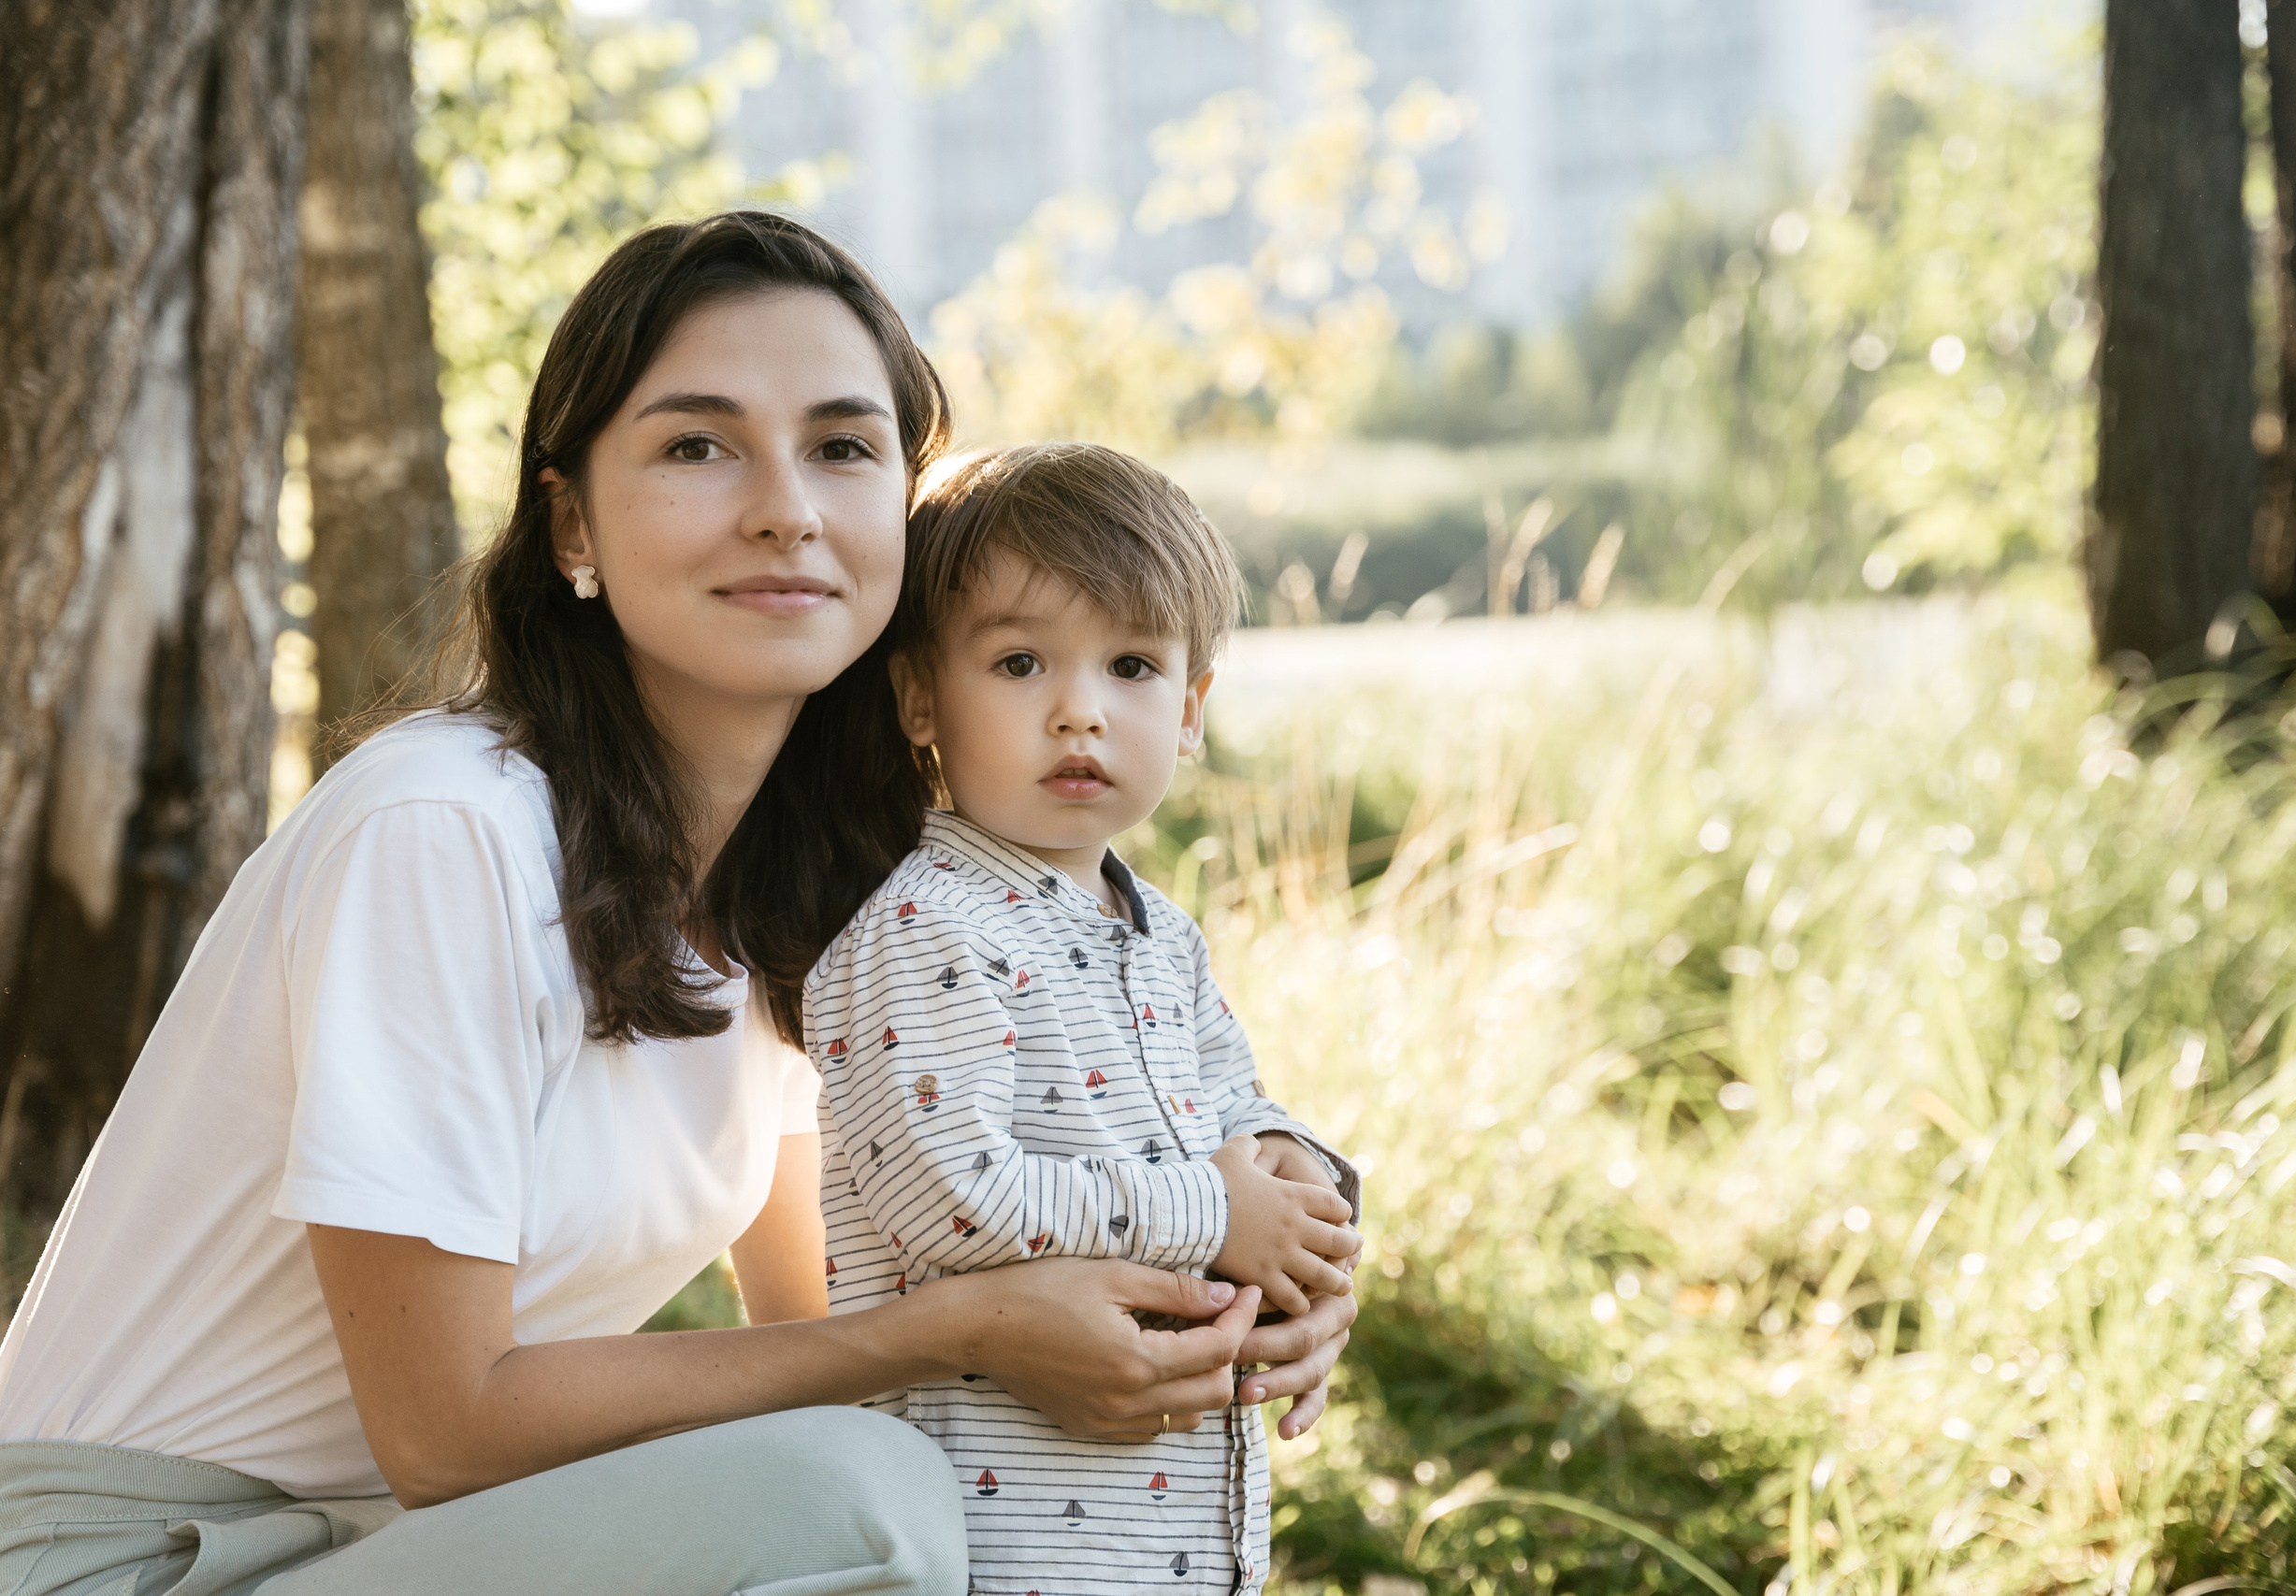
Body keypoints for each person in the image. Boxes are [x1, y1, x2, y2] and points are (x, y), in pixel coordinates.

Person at [0, 213, 1356, 1595]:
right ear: (572, 521)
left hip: (420, 1553)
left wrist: (1243, 1296)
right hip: (139, 1559)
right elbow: (447, 1428)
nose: (788, 507)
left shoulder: (824, 901)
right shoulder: (445, 828)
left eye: (842, 446)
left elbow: (837, 1311)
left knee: (934, 1488)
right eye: (698, 445)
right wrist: (964, 1328)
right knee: (863, 1495)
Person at [808, 443, 1363, 1596]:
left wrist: (1300, 1194)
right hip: (1003, 1529)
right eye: (1019, 662)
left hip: (1169, 1530)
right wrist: (1214, 1211)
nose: (1079, 712)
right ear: (921, 698)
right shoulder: (929, 930)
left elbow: (1233, 1108)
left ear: (1192, 708)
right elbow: (951, 1199)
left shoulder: (1160, 931)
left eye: (1130, 666)